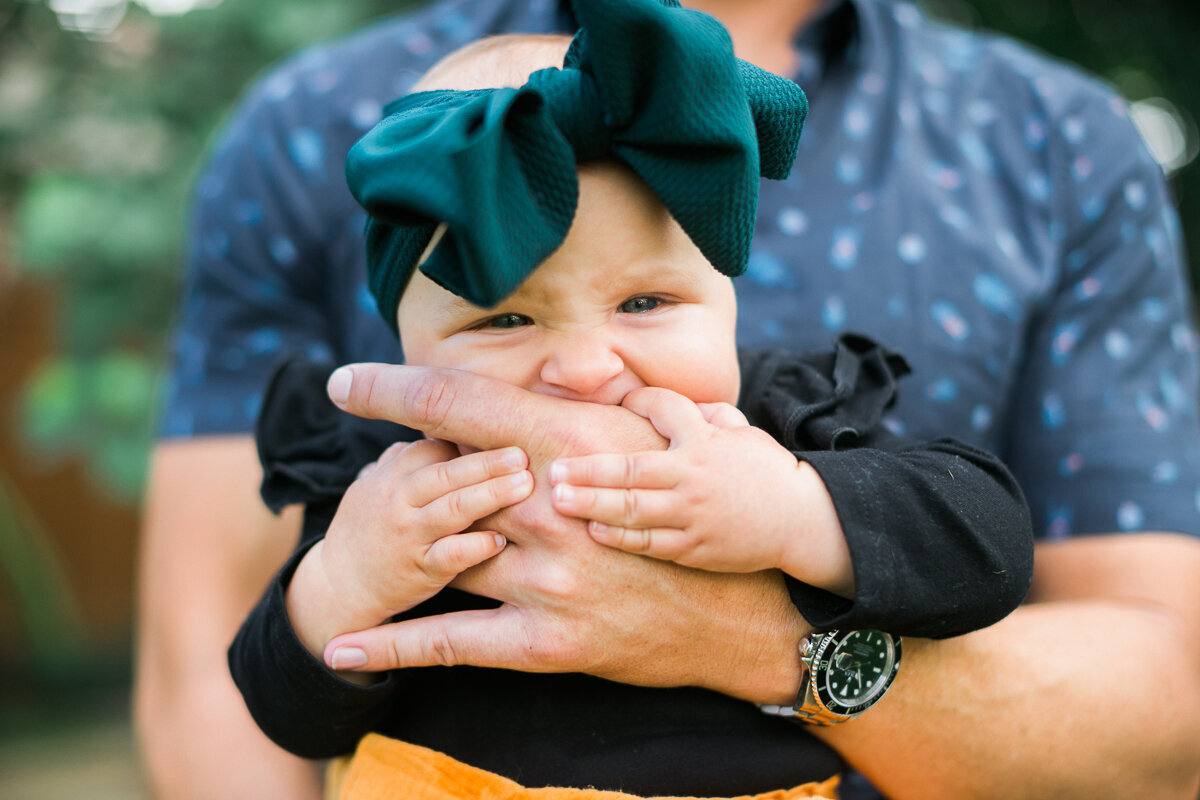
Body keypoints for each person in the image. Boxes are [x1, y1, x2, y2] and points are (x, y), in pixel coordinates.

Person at [134, 0, 1200, 797]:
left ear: (729, 300)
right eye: (504, 320)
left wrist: (794, 514)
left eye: (645, 301)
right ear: (407, 343)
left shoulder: (776, 429)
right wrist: (339, 588)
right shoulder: (394, 480)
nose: (590, 366)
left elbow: (987, 540)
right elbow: (265, 704)